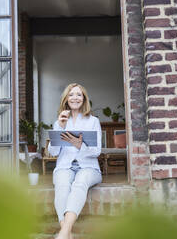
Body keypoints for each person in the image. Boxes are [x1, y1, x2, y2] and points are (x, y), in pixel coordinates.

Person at [48, 83, 102, 239]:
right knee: (62, 185)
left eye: (79, 94)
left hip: (89, 168)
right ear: (66, 99)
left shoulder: (93, 121)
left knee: (80, 182)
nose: (75, 98)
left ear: (84, 98)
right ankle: (67, 232)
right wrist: (60, 127)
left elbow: (97, 151)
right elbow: (53, 152)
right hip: (65, 166)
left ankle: (63, 232)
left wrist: (80, 146)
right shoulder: (60, 121)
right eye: (71, 94)